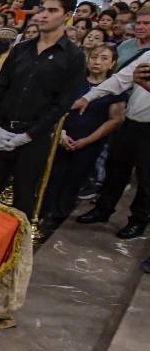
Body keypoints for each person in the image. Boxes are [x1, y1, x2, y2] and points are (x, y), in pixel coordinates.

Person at [0, 0, 88, 219]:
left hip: (33, 137)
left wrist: (28, 135)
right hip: (2, 130)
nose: (44, 15)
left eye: (52, 10)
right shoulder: (21, 49)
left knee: (23, 198)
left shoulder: (73, 56)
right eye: (43, 9)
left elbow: (62, 103)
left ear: (67, 15)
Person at [43, 44, 125, 225]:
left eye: (104, 58)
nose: (97, 62)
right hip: (61, 137)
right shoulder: (74, 81)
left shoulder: (115, 89)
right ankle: (43, 210)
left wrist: (87, 140)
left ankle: (59, 215)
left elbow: (115, 120)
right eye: (94, 57)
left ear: (112, 63)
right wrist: (60, 133)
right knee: (52, 175)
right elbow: (56, 107)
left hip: (89, 142)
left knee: (74, 179)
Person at [74, 51, 150, 238]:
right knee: (115, 168)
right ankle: (103, 208)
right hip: (132, 122)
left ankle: (139, 220)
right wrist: (88, 97)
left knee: (146, 179)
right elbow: (120, 79)